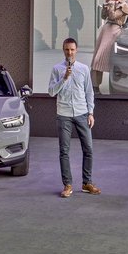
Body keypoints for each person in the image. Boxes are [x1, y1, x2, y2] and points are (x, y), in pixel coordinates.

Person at [48, 37, 101, 198]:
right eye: (67, 49)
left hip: (82, 113)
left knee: (88, 149)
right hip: (63, 114)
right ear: (63, 50)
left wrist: (91, 113)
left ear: (76, 50)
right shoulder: (57, 69)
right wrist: (64, 78)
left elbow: (89, 92)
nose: (69, 52)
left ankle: (87, 183)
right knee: (64, 151)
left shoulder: (83, 69)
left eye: (72, 49)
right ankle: (68, 185)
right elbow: (51, 92)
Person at [91, 0, 128, 93]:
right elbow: (104, 16)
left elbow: (113, 16)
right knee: (96, 59)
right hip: (105, 31)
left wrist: (112, 4)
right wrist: (106, 4)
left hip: (115, 31)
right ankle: (95, 85)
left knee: (103, 58)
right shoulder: (111, 2)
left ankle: (114, 85)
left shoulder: (124, 5)